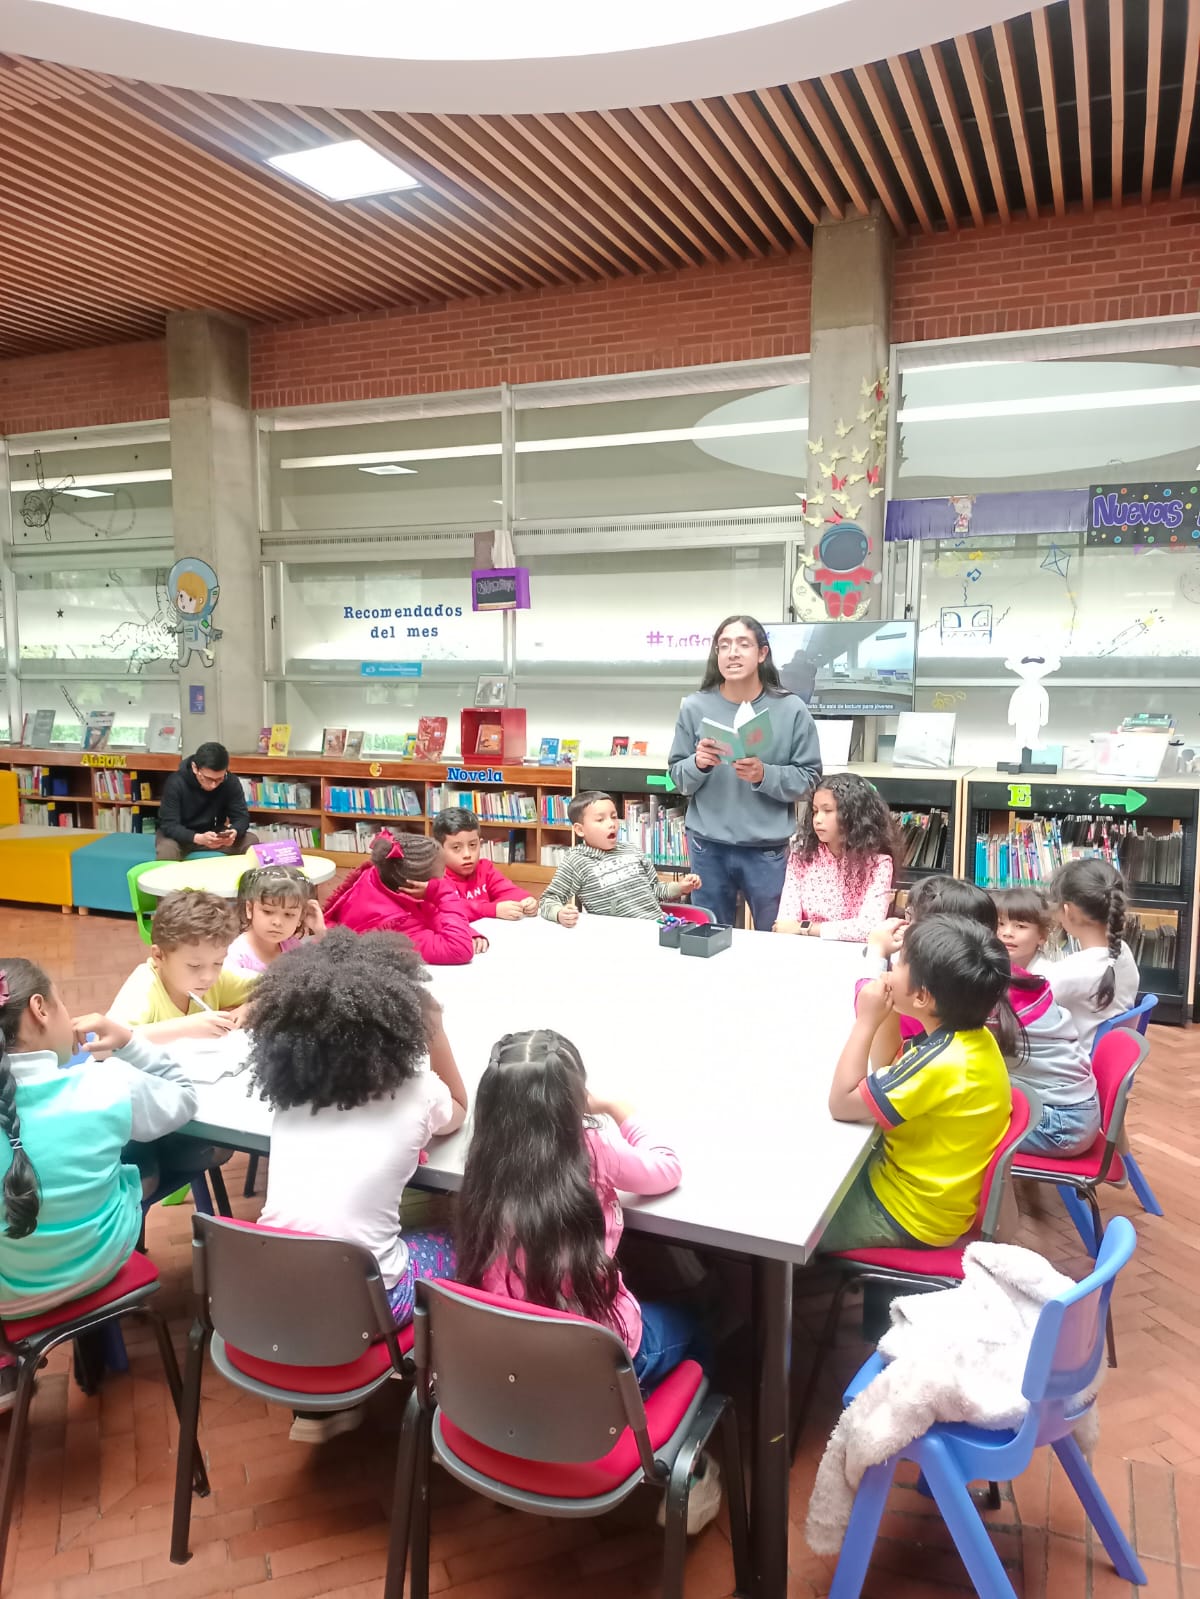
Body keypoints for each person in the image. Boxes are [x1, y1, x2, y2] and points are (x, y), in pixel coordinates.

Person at [456, 1029, 720, 1534]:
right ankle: (692, 1471)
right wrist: (621, 1109)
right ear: (573, 1099)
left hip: (506, 1361)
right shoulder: (591, 1149)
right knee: (697, 1326)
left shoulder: (483, 1164)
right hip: (599, 1357)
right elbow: (667, 1169)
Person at [250, 929, 468, 1443]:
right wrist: (436, 1031)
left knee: (338, 1241)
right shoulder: (416, 1091)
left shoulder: (292, 1091)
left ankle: (316, 1409)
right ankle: (463, 1398)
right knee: (463, 1239)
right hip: (366, 1306)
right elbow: (459, 1110)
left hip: (266, 1294)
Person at [0, 958, 198, 1343]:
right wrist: (128, 1041)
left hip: (10, 1296)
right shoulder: (106, 1084)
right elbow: (184, 1097)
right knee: (150, 1154)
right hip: (102, 1265)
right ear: (40, 1009)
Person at [864, 878, 1100, 1157]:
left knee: (910, 1114)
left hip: (1059, 1123)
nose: (905, 932)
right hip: (1069, 1108)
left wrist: (877, 956)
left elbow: (882, 1046)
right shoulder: (991, 975)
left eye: (912, 921)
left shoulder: (964, 994)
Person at [821, 915, 1012, 1253]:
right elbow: (886, 1065)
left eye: (899, 963)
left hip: (904, 1212)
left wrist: (866, 1021)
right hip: (922, 1195)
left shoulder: (944, 1062)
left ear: (922, 997)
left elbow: (842, 1103)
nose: (891, 969)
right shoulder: (970, 1037)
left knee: (792, 1223)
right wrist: (891, 1010)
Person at [668, 615, 822, 930]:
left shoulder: (791, 709)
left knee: (775, 936)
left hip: (767, 851)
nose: (732, 653)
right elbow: (677, 777)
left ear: (762, 653)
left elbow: (809, 780)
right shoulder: (695, 706)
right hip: (707, 847)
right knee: (710, 936)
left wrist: (765, 775)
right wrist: (698, 763)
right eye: (724, 645)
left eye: (743, 644)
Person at [109, 890, 255, 1043]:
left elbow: (272, 986)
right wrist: (186, 1028)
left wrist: (250, 1008)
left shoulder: (218, 979)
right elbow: (108, 1041)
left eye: (218, 963)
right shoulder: (144, 986)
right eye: (194, 965)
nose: (209, 977)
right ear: (159, 956)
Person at [538, 792, 701, 927]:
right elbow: (548, 900)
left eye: (614, 817)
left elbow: (655, 889)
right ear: (580, 830)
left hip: (656, 927)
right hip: (617, 937)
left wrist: (681, 887)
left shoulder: (632, 850)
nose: (612, 824)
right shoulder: (576, 861)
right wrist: (559, 913)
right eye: (600, 820)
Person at [773, 772, 899, 940]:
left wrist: (806, 928)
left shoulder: (878, 864)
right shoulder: (802, 855)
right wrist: (797, 929)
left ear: (853, 815)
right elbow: (785, 923)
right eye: (815, 811)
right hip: (804, 946)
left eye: (827, 811)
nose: (817, 819)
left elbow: (869, 928)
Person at [323, 830, 475, 965]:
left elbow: (432, 912)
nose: (445, 880)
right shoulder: (396, 925)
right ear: (415, 885)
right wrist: (442, 893)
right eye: (441, 875)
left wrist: (468, 931)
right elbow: (458, 949)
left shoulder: (383, 876)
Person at [1039, 859, 1139, 1053]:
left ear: (1067, 911)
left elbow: (1024, 1005)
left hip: (1075, 1062)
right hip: (1106, 1055)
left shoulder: (1072, 973)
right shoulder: (1122, 951)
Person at [156, 742, 258, 862]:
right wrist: (197, 838)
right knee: (167, 850)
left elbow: (242, 817)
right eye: (208, 779)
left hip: (215, 835)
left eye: (219, 779)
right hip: (181, 837)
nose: (214, 785)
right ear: (195, 768)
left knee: (251, 840)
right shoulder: (176, 782)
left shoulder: (230, 781)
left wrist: (234, 832)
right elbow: (169, 825)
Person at [432, 808, 537, 924]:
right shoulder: (436, 877)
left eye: (472, 845)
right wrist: (492, 909)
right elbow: (448, 908)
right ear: (439, 850)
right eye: (456, 847)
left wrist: (527, 902)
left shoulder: (485, 868)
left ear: (480, 843)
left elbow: (512, 892)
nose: (467, 854)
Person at [226, 866, 327, 975]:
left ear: (301, 916)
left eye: (289, 914)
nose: (277, 922)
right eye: (268, 911)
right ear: (249, 909)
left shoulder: (291, 945)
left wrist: (320, 931)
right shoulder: (235, 957)